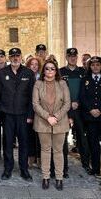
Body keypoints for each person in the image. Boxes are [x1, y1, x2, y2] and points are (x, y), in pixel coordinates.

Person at [0, 48, 35, 181]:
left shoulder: (28, 73)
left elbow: (32, 96)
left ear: (21, 57)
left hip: (23, 114)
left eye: (17, 56)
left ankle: (24, 170)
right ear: (9, 58)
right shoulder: (2, 73)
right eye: (13, 56)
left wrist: (30, 115)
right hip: (7, 114)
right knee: (8, 142)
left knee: (24, 143)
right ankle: (8, 169)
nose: (15, 58)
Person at [32, 58, 71, 190]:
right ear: (44, 71)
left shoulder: (62, 84)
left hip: (60, 123)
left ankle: (59, 178)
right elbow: (35, 104)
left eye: (52, 68)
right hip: (43, 122)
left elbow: (67, 103)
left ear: (56, 71)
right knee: (45, 150)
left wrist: (56, 116)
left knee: (58, 151)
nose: (49, 71)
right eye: (47, 68)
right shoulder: (38, 84)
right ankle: (46, 177)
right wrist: (48, 117)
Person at [80, 56, 101, 180]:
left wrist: (100, 110)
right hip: (91, 119)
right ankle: (95, 168)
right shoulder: (85, 80)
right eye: (93, 65)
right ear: (90, 67)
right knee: (93, 144)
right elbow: (82, 97)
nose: (95, 67)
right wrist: (91, 110)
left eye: (97, 65)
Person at [59, 48, 91, 177]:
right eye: (70, 56)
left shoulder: (83, 72)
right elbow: (59, 91)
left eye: (75, 56)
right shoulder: (61, 72)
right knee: (63, 139)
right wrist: (69, 102)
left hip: (80, 109)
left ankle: (85, 163)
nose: (73, 58)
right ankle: (64, 167)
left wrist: (78, 101)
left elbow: (87, 90)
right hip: (66, 109)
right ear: (66, 57)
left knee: (83, 138)